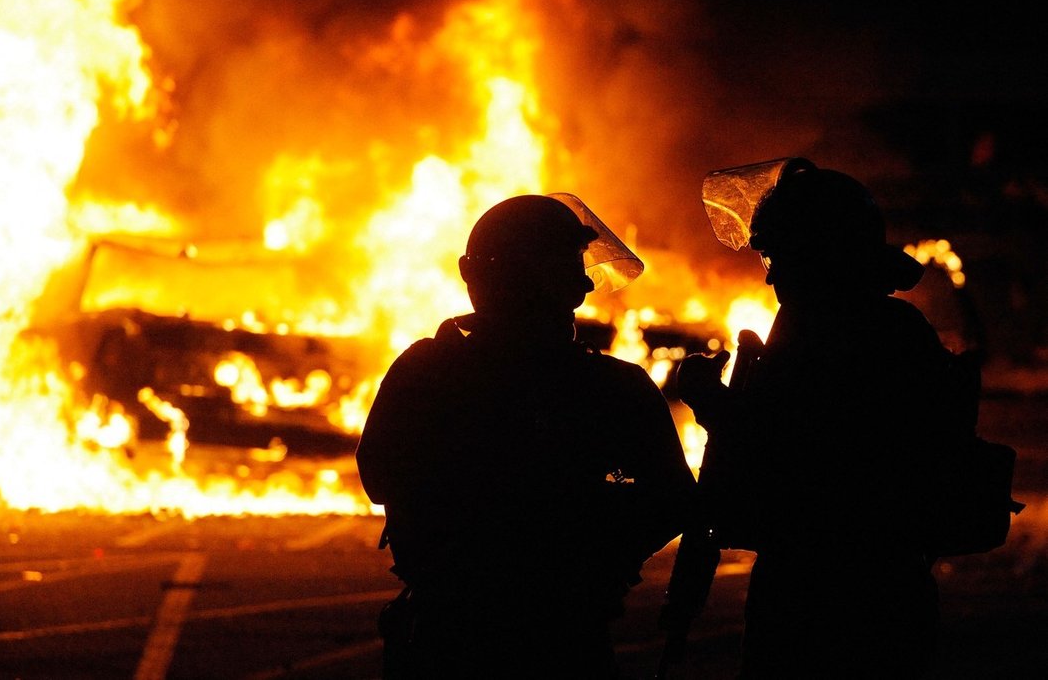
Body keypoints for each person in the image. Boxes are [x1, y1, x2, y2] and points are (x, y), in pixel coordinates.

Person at [356, 194, 695, 679]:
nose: (581, 282)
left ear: (475, 276)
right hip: (565, 637)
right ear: (568, 287)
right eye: (572, 266)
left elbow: (379, 477)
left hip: (450, 635)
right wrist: (600, 557)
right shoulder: (610, 386)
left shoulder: (426, 371)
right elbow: (673, 500)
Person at [677, 164, 958, 678]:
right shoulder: (894, 328)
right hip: (890, 584)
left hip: (822, 587)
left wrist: (709, 402)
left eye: (774, 253)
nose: (768, 273)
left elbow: (800, 454)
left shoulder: (832, 335)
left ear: (816, 250)